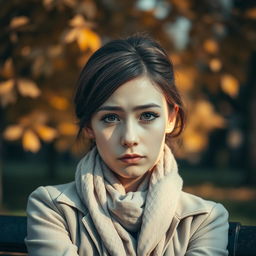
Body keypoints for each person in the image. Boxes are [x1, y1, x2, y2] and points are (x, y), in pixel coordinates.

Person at [25, 35, 229, 256]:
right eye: (111, 118)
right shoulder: (52, 208)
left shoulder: (204, 220)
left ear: (171, 119)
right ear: (89, 126)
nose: (129, 138)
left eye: (148, 115)